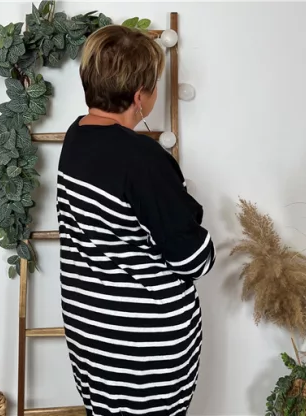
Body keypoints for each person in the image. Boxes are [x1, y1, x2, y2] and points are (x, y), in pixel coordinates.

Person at [56, 24, 216, 416]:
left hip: (90, 333)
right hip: (143, 347)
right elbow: (194, 260)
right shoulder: (142, 160)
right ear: (139, 96)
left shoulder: (75, 138)